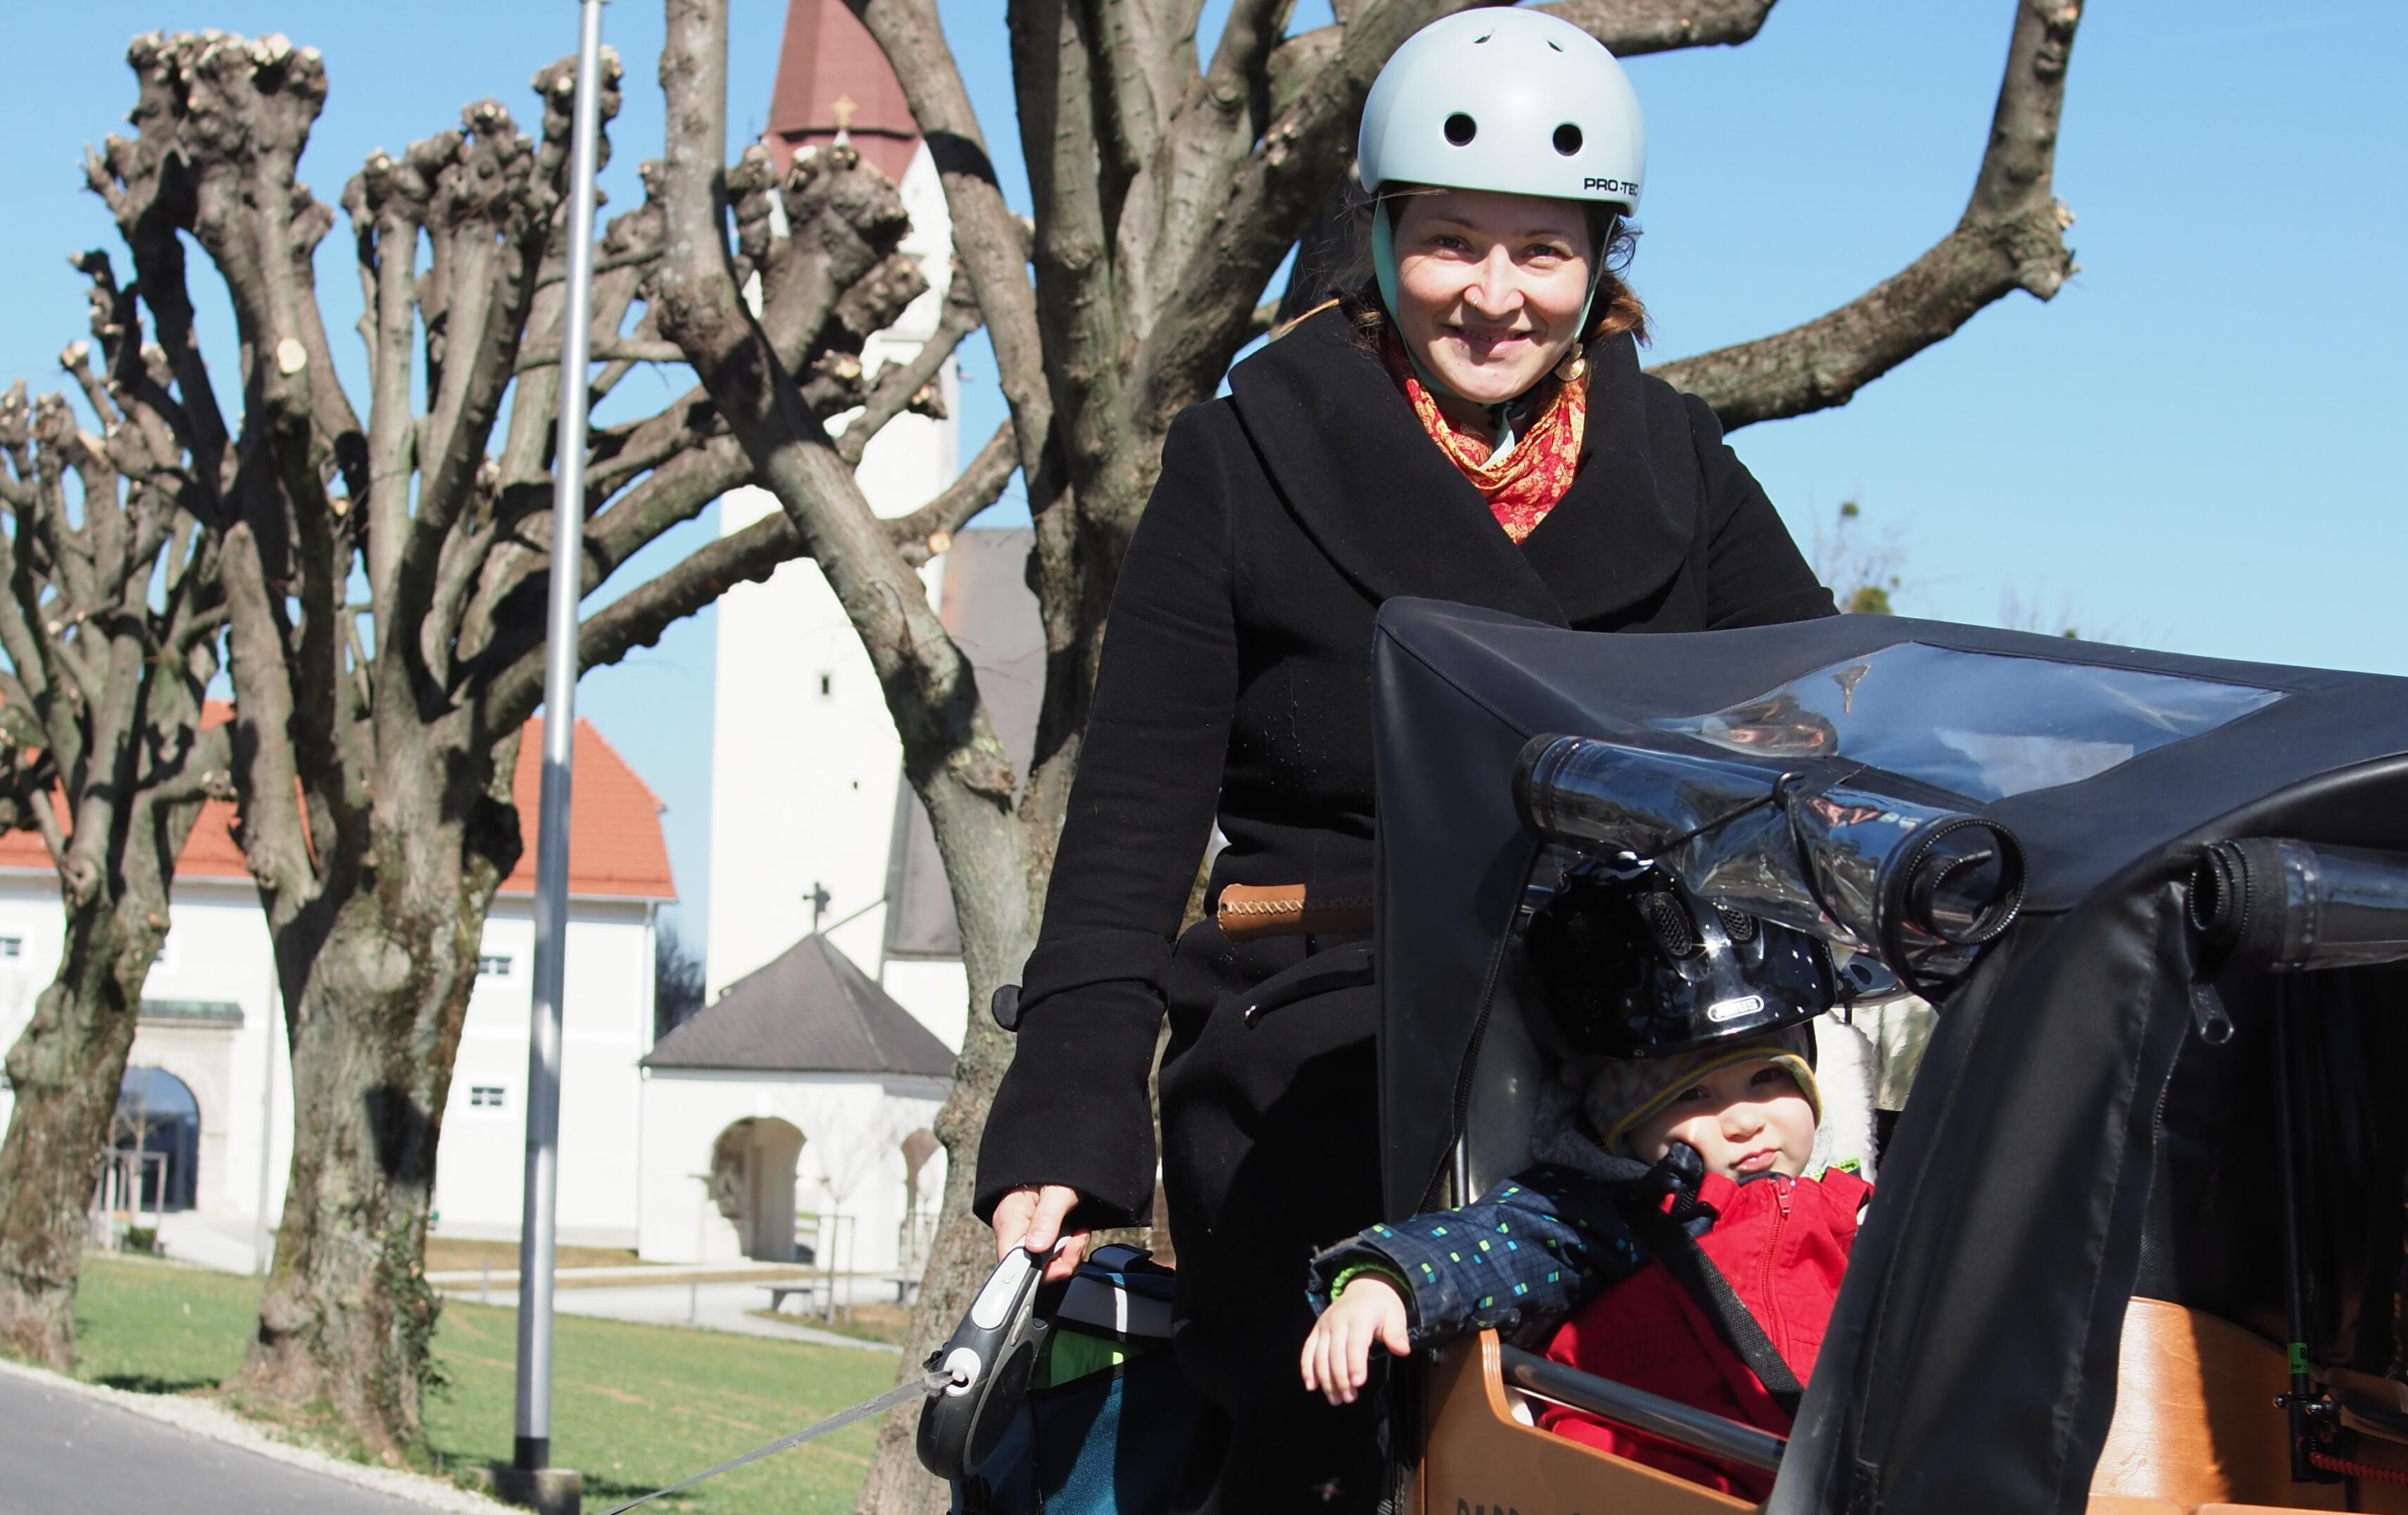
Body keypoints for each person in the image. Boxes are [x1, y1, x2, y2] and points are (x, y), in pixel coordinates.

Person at [973, 10, 1835, 1508]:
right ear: (1377, 237)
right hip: (1326, 1008)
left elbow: (1830, 711)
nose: (1495, 296)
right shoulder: (1243, 460)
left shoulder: (1676, 464)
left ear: (1601, 261)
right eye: (1451, 243)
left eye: (1543, 251)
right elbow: (1129, 822)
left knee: (1761, 1353)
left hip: (1633, 1016)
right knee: (1334, 1395)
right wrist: (1066, 1118)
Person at [1303, 870, 1872, 1502]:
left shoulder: (1860, 1210)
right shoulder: (1605, 1213)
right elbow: (1490, 1247)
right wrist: (1389, 1283)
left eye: (1769, 1078)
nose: (1745, 1120)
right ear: (1623, 1122)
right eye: (1694, 1095)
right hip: (1662, 1474)